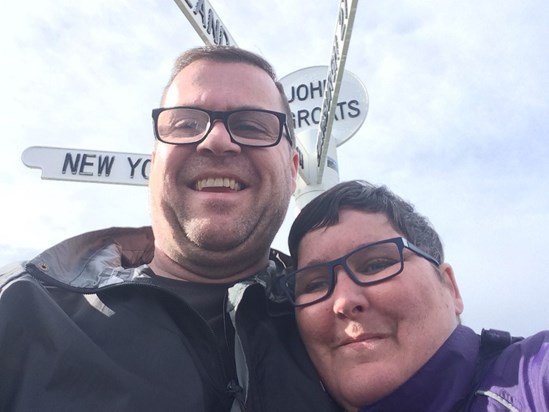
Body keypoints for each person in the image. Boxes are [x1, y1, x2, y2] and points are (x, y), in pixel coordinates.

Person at [0, 46, 341, 411]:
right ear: (153, 164)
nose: (216, 140)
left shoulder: (348, 319)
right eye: (186, 124)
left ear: (292, 172)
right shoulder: (19, 309)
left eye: (251, 125)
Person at [279, 179, 549, 412]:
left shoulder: (534, 377)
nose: (344, 301)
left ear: (450, 287)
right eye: (314, 284)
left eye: (376, 265)